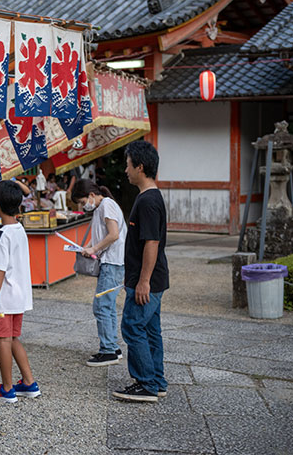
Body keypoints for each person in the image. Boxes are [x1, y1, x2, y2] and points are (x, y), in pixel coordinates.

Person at [112, 141, 169, 403]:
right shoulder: (150, 197)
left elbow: (151, 243)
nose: (126, 170)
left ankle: (146, 384)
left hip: (148, 280)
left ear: (140, 167)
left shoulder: (148, 201)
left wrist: (143, 281)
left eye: (128, 165)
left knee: (133, 326)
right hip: (150, 277)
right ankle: (157, 381)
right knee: (150, 330)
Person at [0, 180, 41, 403]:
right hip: (20, 296)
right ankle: (28, 382)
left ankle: (7, 389)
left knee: (4, 340)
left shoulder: (1, 235)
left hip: (5, 298)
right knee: (14, 338)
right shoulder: (18, 229)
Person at [71, 179, 127, 367]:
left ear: (92, 195)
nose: (82, 206)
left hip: (112, 262)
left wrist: (94, 249)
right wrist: (89, 247)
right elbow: (104, 235)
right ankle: (112, 347)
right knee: (107, 306)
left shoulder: (106, 206)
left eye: (82, 202)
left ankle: (108, 350)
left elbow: (114, 234)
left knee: (102, 306)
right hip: (112, 262)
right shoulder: (101, 207)